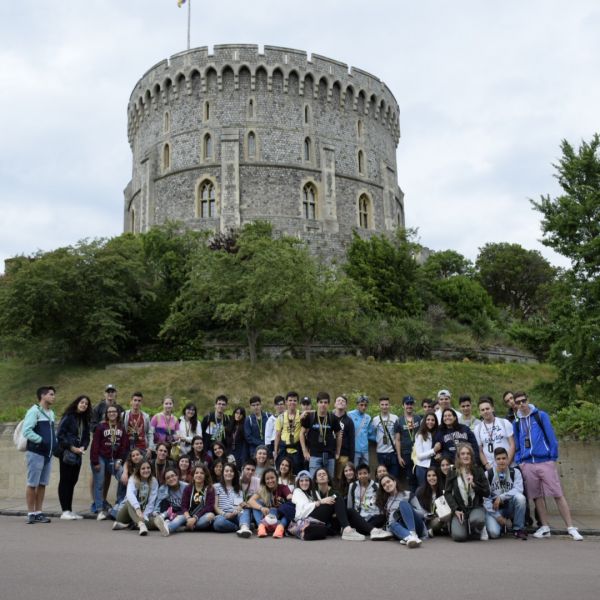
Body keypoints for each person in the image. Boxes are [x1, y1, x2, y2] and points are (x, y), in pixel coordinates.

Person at [512, 391, 583, 541]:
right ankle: (545, 527)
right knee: (537, 497)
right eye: (518, 402)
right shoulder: (516, 422)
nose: (521, 404)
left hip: (544, 461)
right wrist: (520, 461)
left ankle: (570, 527)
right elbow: (517, 444)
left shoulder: (540, 415)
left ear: (528, 400)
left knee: (558, 494)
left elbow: (551, 437)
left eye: (523, 400)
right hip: (527, 463)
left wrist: (552, 457)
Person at [293, 467, 365, 541]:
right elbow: (303, 511)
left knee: (350, 511)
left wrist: (335, 511)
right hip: (306, 519)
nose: (304, 483)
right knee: (336, 497)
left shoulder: (313, 492)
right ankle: (346, 529)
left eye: (306, 480)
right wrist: (320, 502)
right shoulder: (297, 491)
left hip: (319, 520)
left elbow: (323, 509)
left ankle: (371, 530)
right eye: (301, 481)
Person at [23, 386, 58, 524]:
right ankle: (31, 513)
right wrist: (41, 441)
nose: (54, 397)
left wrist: (54, 443)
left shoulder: (51, 413)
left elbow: (52, 432)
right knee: (32, 484)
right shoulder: (34, 411)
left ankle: (38, 512)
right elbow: (27, 431)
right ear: (43, 396)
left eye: (53, 394)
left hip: (48, 454)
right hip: (36, 453)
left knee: (42, 484)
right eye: (51, 394)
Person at [444, 443, 490, 542]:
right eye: (463, 454)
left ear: (471, 456)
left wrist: (473, 484)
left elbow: (487, 492)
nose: (466, 456)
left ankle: (480, 528)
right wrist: (455, 509)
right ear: (458, 456)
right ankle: (464, 527)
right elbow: (447, 493)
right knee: (459, 537)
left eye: (468, 453)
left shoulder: (478, 470)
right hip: (460, 509)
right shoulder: (452, 471)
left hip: (475, 507)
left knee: (477, 520)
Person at [90, 405, 129, 520]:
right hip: (101, 458)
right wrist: (95, 461)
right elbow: (95, 445)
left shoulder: (121, 428)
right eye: (109, 412)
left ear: (118, 413)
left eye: (114, 411)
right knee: (99, 483)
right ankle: (99, 510)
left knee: (123, 478)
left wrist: (120, 460)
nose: (112, 413)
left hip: (115, 459)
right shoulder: (101, 427)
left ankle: (119, 503)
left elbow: (124, 446)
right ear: (106, 414)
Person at [56, 395, 91, 520]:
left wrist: (83, 447)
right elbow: (60, 435)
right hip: (67, 453)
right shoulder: (68, 416)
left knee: (73, 481)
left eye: (86, 404)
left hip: (78, 454)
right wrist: (71, 447)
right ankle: (64, 511)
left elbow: (86, 437)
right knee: (65, 480)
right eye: (82, 402)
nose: (84, 405)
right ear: (77, 403)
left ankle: (69, 510)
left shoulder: (84, 419)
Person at [484, 447, 527, 540]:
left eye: (504, 458)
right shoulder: (488, 474)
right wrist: (498, 516)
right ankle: (501, 526)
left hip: (509, 506)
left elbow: (519, 490)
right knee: (494, 533)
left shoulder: (515, 472)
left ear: (508, 459)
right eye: (498, 459)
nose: (501, 461)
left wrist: (501, 497)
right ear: (495, 460)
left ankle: (518, 529)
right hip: (494, 509)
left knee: (520, 498)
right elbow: (485, 499)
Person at [376, 474, 426, 547]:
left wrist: (407, 510)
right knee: (391, 524)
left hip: (416, 526)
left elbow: (422, 514)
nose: (387, 485)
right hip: (400, 527)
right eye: (384, 485)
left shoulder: (408, 494)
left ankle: (412, 534)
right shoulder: (385, 501)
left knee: (403, 504)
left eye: (388, 482)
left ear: (394, 482)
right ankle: (410, 538)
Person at [300, 391, 342, 478]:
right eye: (321, 402)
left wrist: (338, 452)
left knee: (329, 480)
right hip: (314, 455)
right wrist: (305, 451)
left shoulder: (332, 418)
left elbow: (339, 434)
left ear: (328, 404)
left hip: (329, 456)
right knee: (314, 480)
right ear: (317, 403)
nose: (323, 405)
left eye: (325, 402)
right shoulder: (310, 417)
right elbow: (301, 433)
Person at [111, 461, 158, 536]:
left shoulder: (154, 481)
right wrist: (137, 509)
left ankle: (128, 525)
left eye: (148, 468)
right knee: (129, 501)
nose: (146, 470)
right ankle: (141, 524)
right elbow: (130, 495)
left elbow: (151, 502)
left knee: (155, 521)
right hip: (125, 514)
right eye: (143, 468)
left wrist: (144, 515)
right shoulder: (133, 478)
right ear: (139, 470)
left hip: (142, 513)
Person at [346, 463, 391, 539]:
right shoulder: (352, 486)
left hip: (373, 517)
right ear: (357, 476)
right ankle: (373, 530)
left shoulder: (377, 486)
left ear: (369, 474)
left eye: (365, 473)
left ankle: (363, 529)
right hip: (358, 517)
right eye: (360, 474)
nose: (363, 476)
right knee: (350, 512)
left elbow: (381, 504)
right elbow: (349, 504)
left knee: (382, 517)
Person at [248, 467, 293, 538]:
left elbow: (290, 497)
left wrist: (291, 497)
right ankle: (261, 527)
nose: (270, 481)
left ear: (276, 478)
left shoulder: (283, 487)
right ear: (264, 481)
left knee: (289, 508)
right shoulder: (263, 489)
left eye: (272, 478)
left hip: (279, 519)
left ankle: (280, 528)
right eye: (267, 479)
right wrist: (261, 508)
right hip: (267, 518)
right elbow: (250, 501)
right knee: (256, 504)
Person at [213, 463, 253, 536]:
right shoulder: (216, 487)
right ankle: (238, 527)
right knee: (218, 523)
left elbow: (237, 505)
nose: (229, 473)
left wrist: (239, 507)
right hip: (223, 516)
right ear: (223, 473)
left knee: (245, 510)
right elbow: (215, 506)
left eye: (231, 471)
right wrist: (225, 514)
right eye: (226, 471)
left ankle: (244, 528)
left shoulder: (238, 489)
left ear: (234, 474)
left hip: (236, 515)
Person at [476, 396, 515, 470]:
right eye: (482, 410)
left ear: (492, 409)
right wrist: (486, 465)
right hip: (491, 468)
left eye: (487, 408)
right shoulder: (477, 428)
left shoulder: (504, 422)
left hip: (509, 466)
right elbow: (480, 451)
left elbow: (512, 445)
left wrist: (507, 464)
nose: (485, 411)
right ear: (480, 412)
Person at [394, 395, 422, 491]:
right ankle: (412, 497)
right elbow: (397, 440)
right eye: (407, 404)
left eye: (411, 404)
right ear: (403, 405)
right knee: (410, 477)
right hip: (406, 453)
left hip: (419, 452)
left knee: (420, 476)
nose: (409, 406)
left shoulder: (418, 418)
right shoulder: (399, 421)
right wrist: (399, 456)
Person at [369, 396, 400, 477]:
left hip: (392, 452)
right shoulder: (375, 419)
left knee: (394, 476)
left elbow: (398, 435)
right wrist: (376, 440)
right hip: (380, 452)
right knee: (382, 477)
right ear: (379, 406)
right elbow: (371, 434)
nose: (384, 407)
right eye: (382, 405)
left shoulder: (395, 418)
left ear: (389, 405)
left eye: (386, 404)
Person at [153, 468, 189, 537]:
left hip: (184, 512)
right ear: (166, 481)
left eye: (173, 476)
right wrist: (156, 513)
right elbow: (158, 503)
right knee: (165, 503)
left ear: (177, 476)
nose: (171, 479)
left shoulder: (186, 487)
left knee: (182, 516)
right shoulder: (163, 489)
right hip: (171, 512)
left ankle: (168, 527)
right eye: (168, 478)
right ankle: (164, 519)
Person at [413, 467, 448, 537]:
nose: (431, 478)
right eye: (429, 476)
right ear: (426, 478)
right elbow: (416, 509)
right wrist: (426, 515)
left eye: (434, 475)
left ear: (438, 477)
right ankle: (427, 530)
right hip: (425, 520)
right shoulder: (420, 491)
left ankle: (431, 531)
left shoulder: (443, 490)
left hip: (439, 517)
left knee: (441, 520)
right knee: (438, 522)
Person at [180, 464, 216, 531]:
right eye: (196, 473)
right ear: (193, 475)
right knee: (178, 519)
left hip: (201, 516)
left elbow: (209, 507)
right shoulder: (188, 488)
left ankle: (187, 527)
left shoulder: (209, 489)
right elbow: (184, 506)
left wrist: (195, 518)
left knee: (210, 516)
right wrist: (188, 517)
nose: (199, 475)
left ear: (205, 475)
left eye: (202, 473)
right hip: (188, 516)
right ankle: (168, 527)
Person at [274, 391, 303, 471]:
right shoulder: (281, 417)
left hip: (297, 450)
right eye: (290, 400)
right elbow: (277, 435)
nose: (292, 402)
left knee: (296, 473)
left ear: (297, 402)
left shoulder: (302, 415)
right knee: (282, 472)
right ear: (286, 402)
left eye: (294, 400)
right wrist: (275, 452)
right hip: (284, 450)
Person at [332, 395, 355, 488]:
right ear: (334, 404)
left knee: (341, 478)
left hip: (344, 454)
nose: (341, 402)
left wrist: (351, 458)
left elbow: (352, 440)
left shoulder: (349, 421)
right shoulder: (329, 418)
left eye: (343, 401)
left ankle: (341, 495)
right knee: (330, 476)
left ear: (346, 405)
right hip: (330, 453)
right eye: (338, 400)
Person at [122, 392, 153, 458]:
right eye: (135, 400)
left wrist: (150, 448)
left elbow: (150, 433)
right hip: (128, 447)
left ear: (141, 403)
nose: (137, 403)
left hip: (142, 448)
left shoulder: (146, 417)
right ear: (131, 402)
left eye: (139, 401)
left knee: (143, 464)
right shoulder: (124, 415)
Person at [413, 413, 441, 487]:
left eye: (432, 420)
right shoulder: (419, 435)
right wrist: (433, 450)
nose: (430, 422)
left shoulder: (438, 433)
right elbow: (419, 456)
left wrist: (440, 455)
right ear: (424, 421)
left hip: (435, 466)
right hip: (422, 467)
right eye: (428, 419)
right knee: (424, 489)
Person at [348, 395, 371, 466]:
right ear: (357, 405)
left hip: (365, 450)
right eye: (361, 405)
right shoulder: (350, 415)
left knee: (366, 469)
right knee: (354, 469)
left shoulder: (368, 417)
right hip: (355, 450)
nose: (363, 407)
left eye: (365, 405)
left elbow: (370, 433)